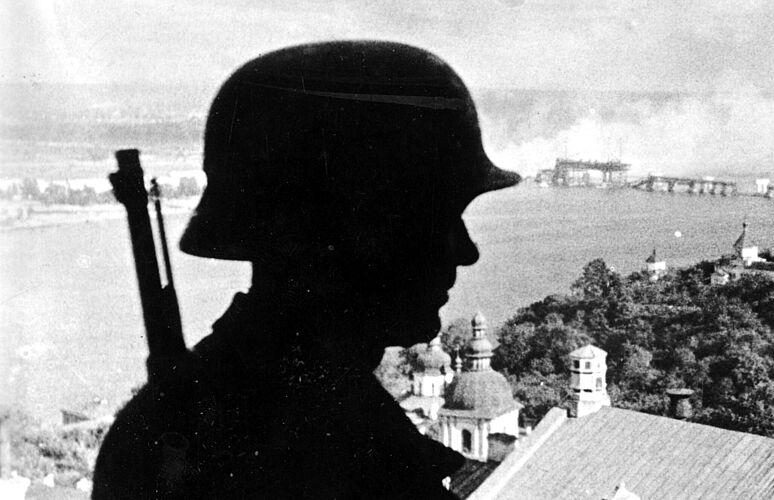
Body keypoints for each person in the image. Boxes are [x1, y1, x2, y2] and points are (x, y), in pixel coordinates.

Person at [93, 41, 519, 499]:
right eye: (438, 219)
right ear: (350, 234)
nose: (466, 251)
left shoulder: (193, 414)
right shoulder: (337, 443)